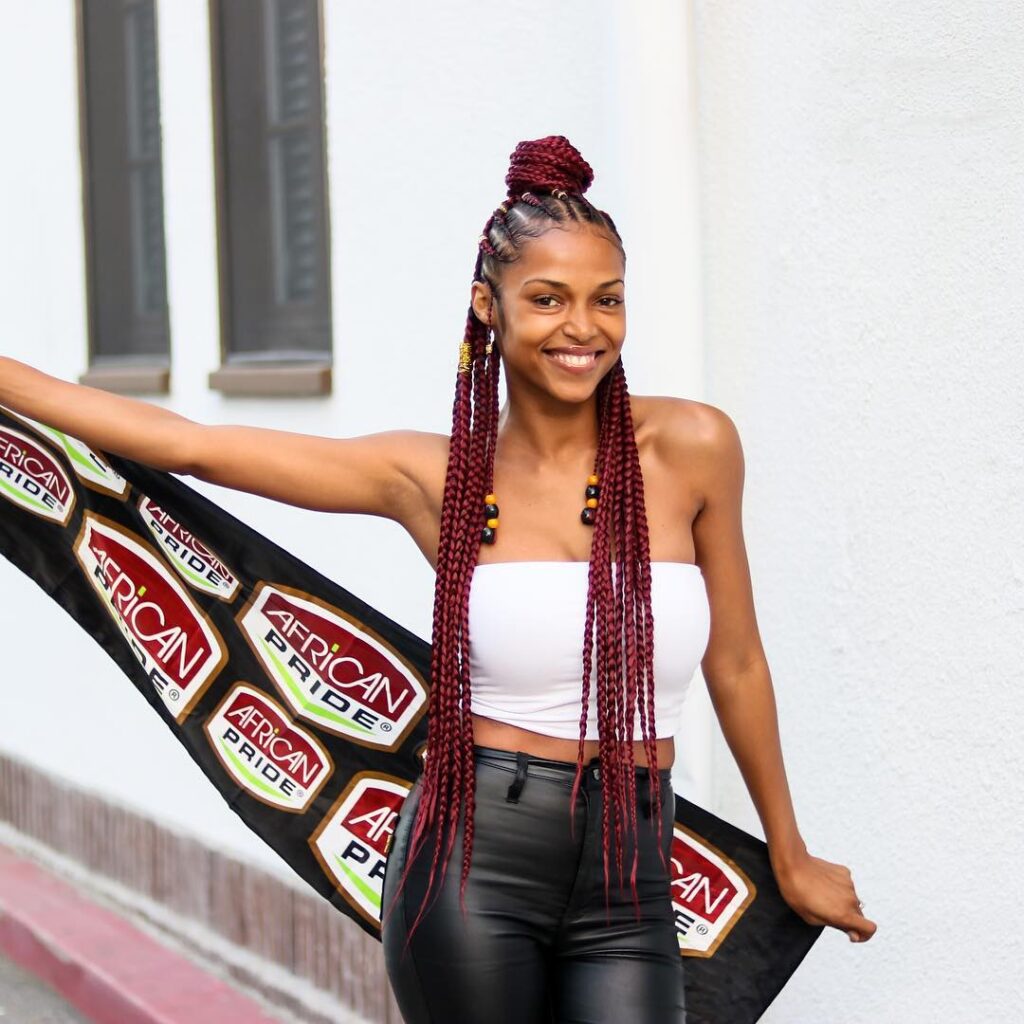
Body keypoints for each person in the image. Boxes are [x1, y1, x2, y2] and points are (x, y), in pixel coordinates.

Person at [0, 134, 876, 1024]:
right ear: (487, 307)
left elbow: (737, 661)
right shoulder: (438, 479)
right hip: (473, 862)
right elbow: (195, 449)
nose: (583, 329)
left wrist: (789, 848)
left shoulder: (694, 447)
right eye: (548, 300)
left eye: (606, 301)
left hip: (633, 862)